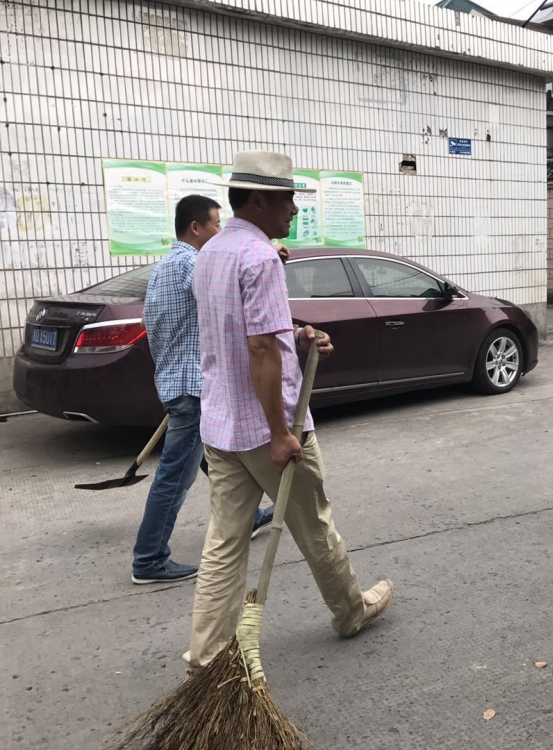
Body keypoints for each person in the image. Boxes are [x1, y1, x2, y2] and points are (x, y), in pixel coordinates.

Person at [185, 151, 393, 667]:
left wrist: (294, 336)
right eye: (287, 198)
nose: (295, 210)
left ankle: (207, 655)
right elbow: (257, 350)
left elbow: (246, 334)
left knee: (224, 544)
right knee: (315, 523)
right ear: (258, 199)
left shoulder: (210, 252)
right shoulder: (258, 258)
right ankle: (350, 611)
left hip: (221, 424)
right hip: (267, 427)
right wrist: (280, 433)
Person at [132, 195, 274, 585]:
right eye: (215, 224)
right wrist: (267, 252)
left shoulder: (164, 267)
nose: (220, 231)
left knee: (217, 459)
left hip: (177, 381)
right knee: (175, 475)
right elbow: (234, 290)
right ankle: (149, 558)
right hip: (192, 387)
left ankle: (251, 514)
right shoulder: (194, 265)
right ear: (196, 227)